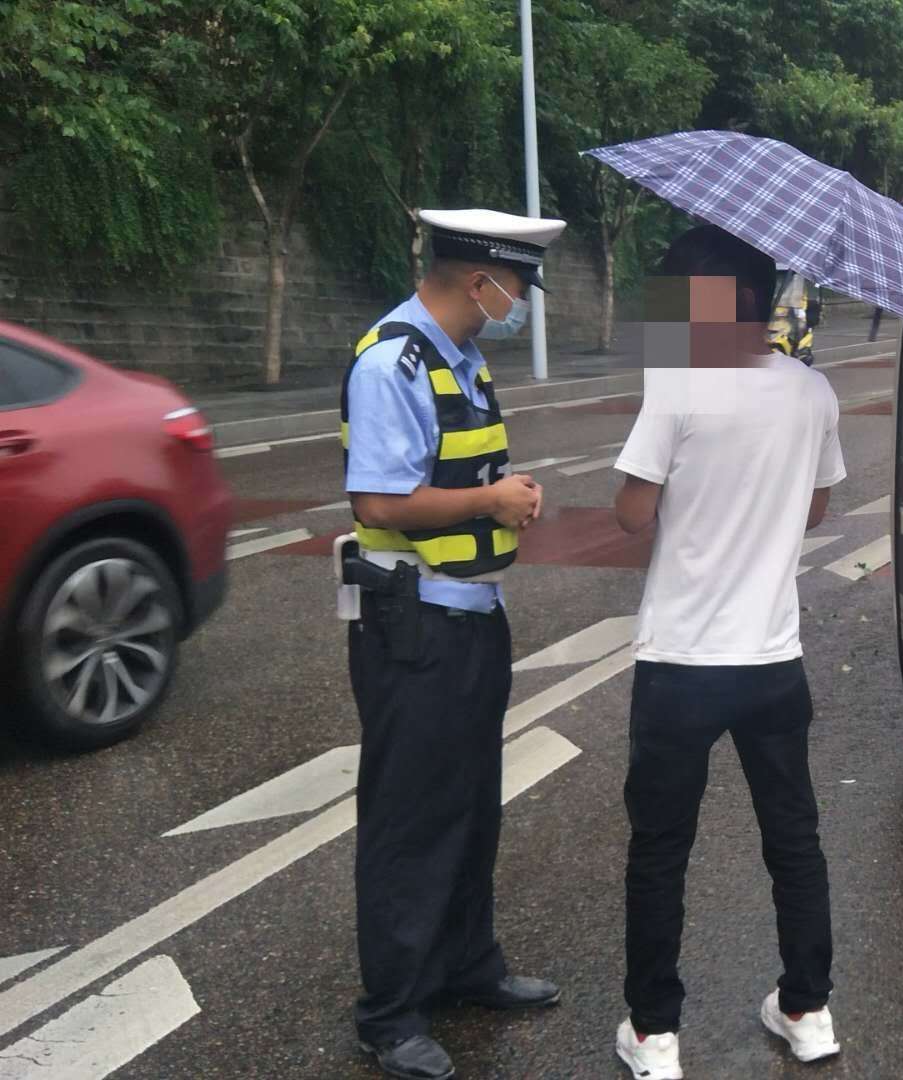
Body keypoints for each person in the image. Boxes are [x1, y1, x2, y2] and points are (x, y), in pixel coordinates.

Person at [609, 224, 846, 1079]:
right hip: (773, 666)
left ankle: (656, 1034)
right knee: (794, 839)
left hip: (680, 666)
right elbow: (817, 512)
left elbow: (632, 514)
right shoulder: (813, 392)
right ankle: (808, 1009)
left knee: (661, 849)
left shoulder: (677, 387)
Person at [338, 207, 567, 1080]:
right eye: (515, 287)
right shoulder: (391, 359)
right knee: (409, 817)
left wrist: (500, 497)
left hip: (469, 614)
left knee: (470, 804)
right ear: (481, 281)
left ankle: (468, 965)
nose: (520, 303)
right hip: (412, 623)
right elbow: (380, 503)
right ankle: (390, 1013)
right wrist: (492, 502)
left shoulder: (460, 356)